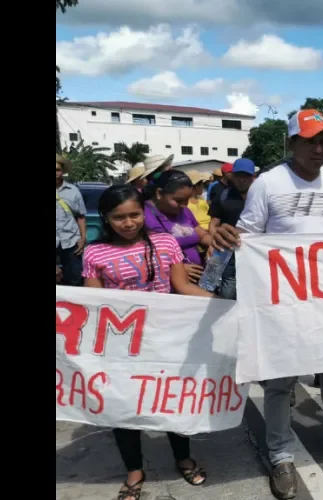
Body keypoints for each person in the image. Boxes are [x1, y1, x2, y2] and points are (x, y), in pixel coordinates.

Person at [210, 109, 323, 500]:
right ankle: (281, 456)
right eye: (311, 141)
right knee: (280, 381)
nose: (320, 149)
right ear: (293, 143)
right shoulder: (267, 184)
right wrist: (225, 241)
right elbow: (249, 241)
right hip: (282, 301)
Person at [82, 185, 214, 500]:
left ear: (144, 212)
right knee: (123, 408)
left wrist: (221, 304)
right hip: (121, 345)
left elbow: (182, 286)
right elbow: (93, 302)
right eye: (119, 217)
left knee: (173, 401)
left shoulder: (166, 242)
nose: (128, 223)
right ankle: (134, 470)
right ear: (106, 218)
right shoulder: (94, 253)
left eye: (134, 215)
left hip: (168, 339)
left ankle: (183, 458)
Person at [143, 171, 211, 284]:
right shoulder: (144, 215)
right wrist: (178, 269)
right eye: (178, 200)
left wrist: (212, 244)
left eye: (187, 199)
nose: (185, 205)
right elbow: (143, 256)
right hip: (168, 284)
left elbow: (201, 233)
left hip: (195, 280)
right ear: (159, 193)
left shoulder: (184, 211)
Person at [208, 158, 257, 301]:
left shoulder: (261, 196)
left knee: (253, 291)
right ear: (232, 176)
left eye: (246, 176)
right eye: (238, 176)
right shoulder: (222, 196)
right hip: (226, 252)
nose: (242, 180)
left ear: (253, 177)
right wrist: (214, 241)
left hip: (253, 254)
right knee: (225, 293)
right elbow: (213, 224)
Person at [56, 154, 87, 286]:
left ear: (62, 171)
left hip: (71, 241)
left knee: (75, 279)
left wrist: (82, 239)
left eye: (57, 169)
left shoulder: (73, 191)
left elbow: (80, 216)